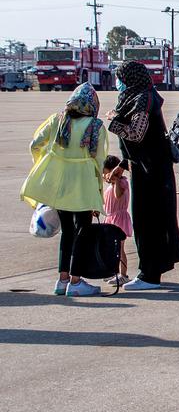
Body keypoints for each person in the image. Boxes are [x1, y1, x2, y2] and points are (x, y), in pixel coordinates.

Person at [21, 83, 108, 297]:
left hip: (61, 184)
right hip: (83, 183)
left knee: (67, 232)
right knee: (83, 231)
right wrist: (98, 190)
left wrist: (46, 162)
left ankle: (63, 279)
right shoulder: (95, 126)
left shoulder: (57, 120)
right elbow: (99, 160)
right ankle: (76, 281)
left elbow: (35, 144)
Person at [108, 61, 179, 290]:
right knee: (146, 221)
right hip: (144, 169)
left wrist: (113, 120)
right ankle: (149, 271)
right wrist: (123, 164)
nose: (118, 83)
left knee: (150, 221)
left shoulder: (144, 98)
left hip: (153, 173)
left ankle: (150, 275)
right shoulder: (136, 97)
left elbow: (136, 133)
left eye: (120, 78)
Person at [102, 155, 132, 285]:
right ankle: (114, 272)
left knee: (119, 248)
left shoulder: (122, 182)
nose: (105, 176)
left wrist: (117, 179)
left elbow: (118, 195)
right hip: (110, 218)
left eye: (105, 173)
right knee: (111, 248)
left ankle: (123, 274)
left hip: (119, 219)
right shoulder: (110, 185)